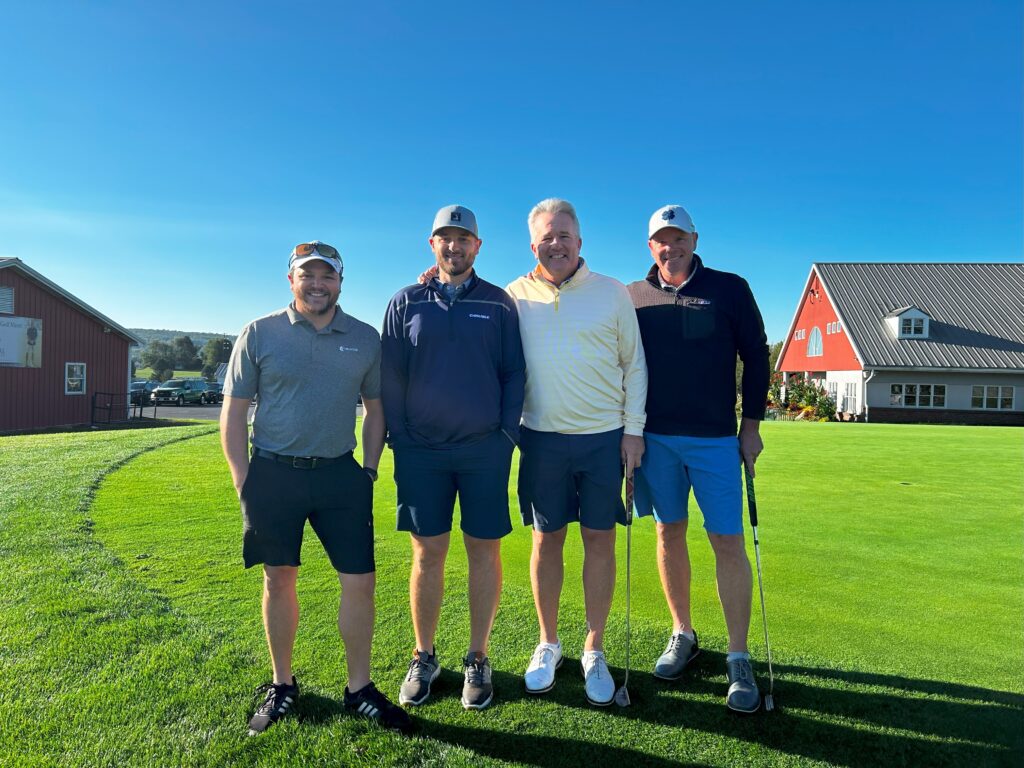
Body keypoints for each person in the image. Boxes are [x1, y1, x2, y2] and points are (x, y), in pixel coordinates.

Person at [220, 241, 410, 734]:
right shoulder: (259, 333)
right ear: (291, 280)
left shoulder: (365, 338)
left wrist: (368, 469)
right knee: (278, 579)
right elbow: (234, 411)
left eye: (327, 275)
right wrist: (246, 481)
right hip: (273, 474)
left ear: (340, 282)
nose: (317, 283)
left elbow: (375, 406)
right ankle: (282, 684)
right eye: (308, 275)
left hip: (339, 476)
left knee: (360, 582)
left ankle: (359, 689)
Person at [626, 205, 770, 713]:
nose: (672, 246)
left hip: (715, 440)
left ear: (694, 238)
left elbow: (757, 355)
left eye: (679, 237)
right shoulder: (631, 297)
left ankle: (737, 654)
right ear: (651, 247)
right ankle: (682, 633)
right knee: (668, 532)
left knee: (727, 540)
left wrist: (750, 426)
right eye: (662, 239)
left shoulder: (730, 287)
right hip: (656, 439)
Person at [381, 205, 525, 711]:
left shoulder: (499, 303)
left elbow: (514, 373)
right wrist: (400, 436)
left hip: (484, 450)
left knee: (484, 551)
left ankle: (478, 657)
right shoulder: (406, 301)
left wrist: (506, 434)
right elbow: (390, 376)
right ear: (432, 244)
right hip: (421, 452)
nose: (454, 246)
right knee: (427, 553)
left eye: (464, 238)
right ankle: (424, 656)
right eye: (446, 238)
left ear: (478, 247)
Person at [507, 198, 647, 707]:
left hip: (603, 437)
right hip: (540, 438)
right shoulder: (513, 296)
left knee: (599, 539)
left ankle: (594, 646)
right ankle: (549, 642)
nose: (556, 243)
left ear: (580, 241)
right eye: (547, 235)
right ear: (533, 244)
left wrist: (634, 431)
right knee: (546, 540)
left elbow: (634, 366)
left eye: (565, 234)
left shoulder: (613, 293)